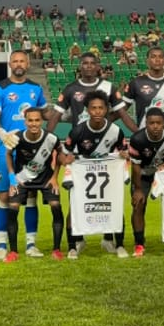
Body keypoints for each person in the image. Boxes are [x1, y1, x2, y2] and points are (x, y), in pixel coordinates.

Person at [0, 51, 50, 260]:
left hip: (31, 151)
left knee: (31, 195)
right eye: (15, 61)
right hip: (7, 150)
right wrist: (3, 135)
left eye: (22, 60)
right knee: (4, 196)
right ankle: (2, 245)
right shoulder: (0, 88)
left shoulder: (36, 88)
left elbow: (47, 114)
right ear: (9, 64)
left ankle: (31, 244)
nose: (18, 64)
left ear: (28, 63)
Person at [57, 92, 131, 259]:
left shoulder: (115, 130)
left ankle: (117, 243)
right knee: (74, 209)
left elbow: (124, 151)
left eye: (101, 108)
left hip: (108, 177)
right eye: (93, 108)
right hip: (81, 177)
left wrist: (125, 155)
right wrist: (66, 159)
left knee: (114, 207)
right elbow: (63, 155)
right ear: (87, 110)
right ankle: (73, 246)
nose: (97, 112)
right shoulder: (78, 131)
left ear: (106, 110)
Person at [2, 108, 66, 261]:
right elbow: (8, 154)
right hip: (22, 180)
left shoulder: (51, 138)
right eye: (30, 120)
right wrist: (12, 178)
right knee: (13, 208)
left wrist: (55, 177)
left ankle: (56, 250)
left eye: (37, 120)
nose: (34, 123)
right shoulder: (17, 138)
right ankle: (13, 252)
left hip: (46, 179)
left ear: (41, 121)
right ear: (25, 121)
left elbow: (61, 154)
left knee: (56, 205)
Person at [126, 108, 164, 256]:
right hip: (143, 175)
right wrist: (138, 189)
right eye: (151, 123)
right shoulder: (137, 139)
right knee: (138, 205)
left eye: (158, 123)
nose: (155, 126)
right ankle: (139, 244)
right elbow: (136, 166)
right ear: (146, 124)